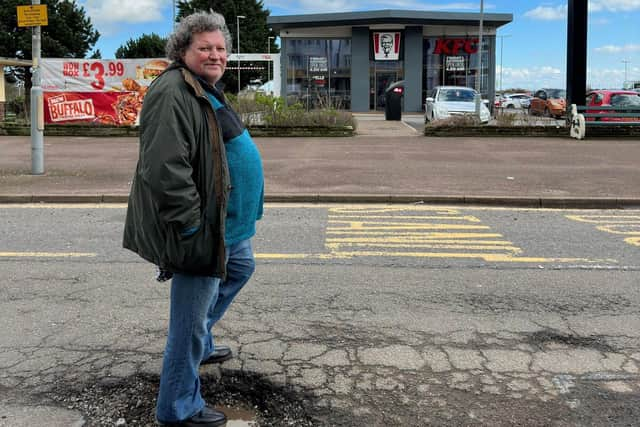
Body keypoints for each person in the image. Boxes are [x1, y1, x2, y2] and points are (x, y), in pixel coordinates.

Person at [123, 11, 264, 427]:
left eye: (220, 48)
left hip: (228, 225)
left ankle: (200, 341)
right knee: (185, 325)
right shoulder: (172, 91)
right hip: (201, 228)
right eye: (205, 47)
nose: (215, 54)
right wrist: (190, 225)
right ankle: (177, 408)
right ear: (183, 50)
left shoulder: (203, 88)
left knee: (241, 265)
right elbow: (166, 166)